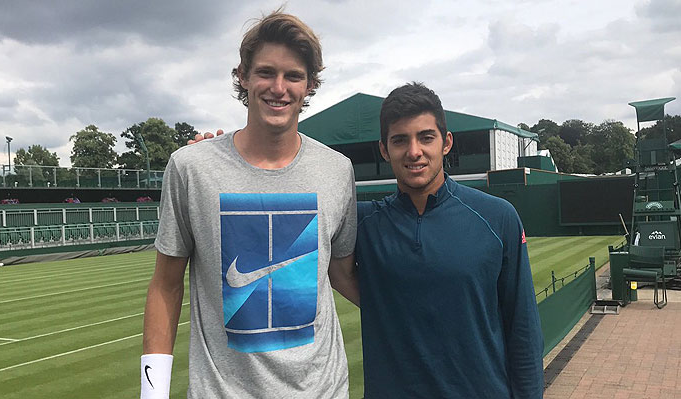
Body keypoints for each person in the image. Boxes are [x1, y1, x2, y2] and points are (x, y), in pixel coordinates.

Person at [141, 9, 358, 399]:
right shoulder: (191, 167)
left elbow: (343, 274)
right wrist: (151, 393)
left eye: (293, 76)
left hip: (322, 390)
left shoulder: (338, 170)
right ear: (242, 75)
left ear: (309, 85)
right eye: (265, 72)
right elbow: (165, 286)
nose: (279, 87)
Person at [356, 82, 543, 398]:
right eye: (400, 140)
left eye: (426, 137)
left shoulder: (498, 217)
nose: (414, 151)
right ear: (384, 149)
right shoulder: (361, 223)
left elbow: (523, 329)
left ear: (446, 142)